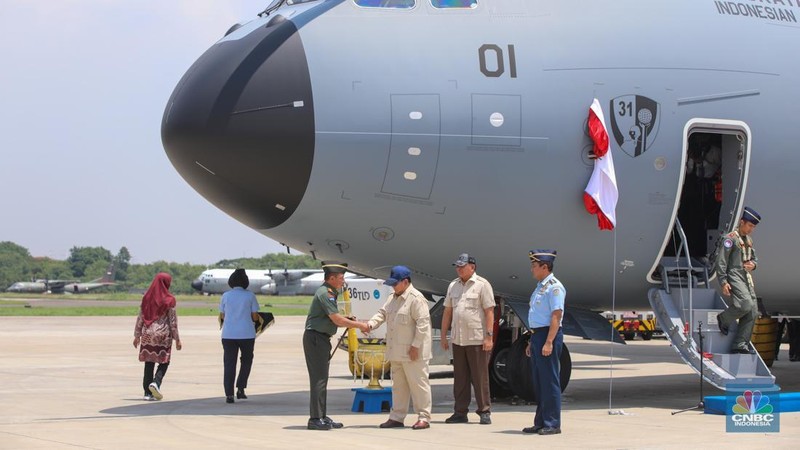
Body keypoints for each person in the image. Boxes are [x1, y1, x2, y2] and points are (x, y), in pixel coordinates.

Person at [304, 261, 370, 431]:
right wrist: (360, 325)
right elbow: (337, 319)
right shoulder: (326, 294)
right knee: (318, 379)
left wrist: (349, 320)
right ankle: (315, 418)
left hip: (321, 339)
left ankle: (322, 416)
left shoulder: (330, 292)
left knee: (322, 379)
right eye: (341, 278)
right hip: (316, 339)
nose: (343, 281)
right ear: (331, 278)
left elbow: (335, 317)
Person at [367, 265, 433, 430]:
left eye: (395, 283)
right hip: (396, 351)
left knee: (419, 385)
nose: (393, 286)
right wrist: (370, 324)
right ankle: (397, 417)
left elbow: (423, 325)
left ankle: (424, 417)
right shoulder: (393, 297)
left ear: (405, 282)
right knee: (399, 387)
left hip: (413, 352)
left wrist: (415, 346)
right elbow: (382, 313)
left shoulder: (416, 299)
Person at [440, 253, 496, 425]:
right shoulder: (453, 286)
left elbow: (489, 312)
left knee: (480, 378)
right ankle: (460, 412)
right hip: (459, 339)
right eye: (457, 266)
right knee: (460, 378)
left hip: (477, 339)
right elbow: (448, 311)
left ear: (472, 267)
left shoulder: (482, 285)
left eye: (462, 266)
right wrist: (443, 335)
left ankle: (484, 411)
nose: (459, 269)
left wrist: (489, 337)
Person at [522, 250, 565, 436]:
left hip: (549, 335)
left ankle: (553, 423)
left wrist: (548, 342)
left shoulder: (554, 287)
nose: (532, 269)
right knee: (539, 382)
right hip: (538, 335)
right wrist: (533, 341)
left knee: (550, 381)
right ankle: (540, 421)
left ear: (544, 267)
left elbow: (556, 316)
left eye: (534, 266)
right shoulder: (541, 287)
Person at [715, 207, 761, 354]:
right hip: (734, 275)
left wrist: (753, 265)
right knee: (745, 304)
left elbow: (754, 258)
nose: (751, 229)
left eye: (754, 227)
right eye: (750, 225)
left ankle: (740, 344)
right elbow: (721, 261)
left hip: (746, 277)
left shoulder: (748, 240)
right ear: (742, 222)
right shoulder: (730, 239)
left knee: (753, 311)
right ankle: (724, 318)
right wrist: (723, 281)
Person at [133, 272, 182, 401]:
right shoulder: (170, 299)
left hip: (147, 334)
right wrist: (177, 339)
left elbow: (141, 317)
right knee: (164, 361)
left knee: (149, 362)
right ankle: (156, 382)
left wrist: (137, 335)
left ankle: (147, 393)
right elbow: (172, 321)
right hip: (163, 335)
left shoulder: (146, 297)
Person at [219, 268, 260, 404]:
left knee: (229, 363)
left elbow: (222, 315)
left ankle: (229, 394)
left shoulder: (226, 296)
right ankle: (241, 388)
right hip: (246, 334)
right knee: (246, 361)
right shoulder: (250, 296)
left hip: (228, 334)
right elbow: (255, 316)